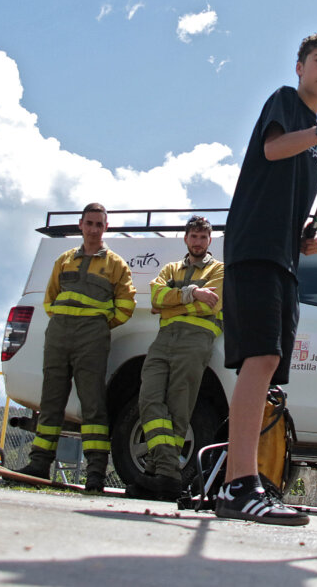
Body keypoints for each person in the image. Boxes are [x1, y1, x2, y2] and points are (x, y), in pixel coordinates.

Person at [216, 32, 317, 525]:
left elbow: (284, 189)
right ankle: (239, 483)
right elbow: (273, 151)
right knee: (259, 357)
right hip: (254, 247)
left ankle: (244, 478)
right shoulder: (287, 103)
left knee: (271, 361)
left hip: (283, 254)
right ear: (300, 66)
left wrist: (301, 234)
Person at [17, 203, 135, 495]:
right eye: (90, 223)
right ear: (80, 225)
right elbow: (50, 298)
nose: (94, 229)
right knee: (51, 401)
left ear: (105, 228)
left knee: (93, 404)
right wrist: (63, 321)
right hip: (59, 334)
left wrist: (100, 326)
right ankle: (39, 464)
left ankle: (95, 473)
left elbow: (126, 305)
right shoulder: (64, 260)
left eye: (99, 224)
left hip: (91, 337)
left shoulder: (116, 265)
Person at [127, 215, 225, 501]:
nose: (197, 242)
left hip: (196, 340)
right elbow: (155, 298)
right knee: (148, 397)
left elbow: (213, 305)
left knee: (179, 404)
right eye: (193, 236)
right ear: (186, 238)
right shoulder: (171, 268)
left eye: (203, 237)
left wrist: (173, 303)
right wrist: (193, 293)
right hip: (164, 339)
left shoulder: (219, 269)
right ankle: (167, 471)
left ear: (209, 241)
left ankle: (160, 474)